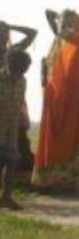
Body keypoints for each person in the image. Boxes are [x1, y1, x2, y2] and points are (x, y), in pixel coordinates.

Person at [32, 10, 79, 191]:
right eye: (63, 22)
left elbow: (62, 30)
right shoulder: (62, 41)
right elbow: (49, 15)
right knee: (52, 135)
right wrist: (59, 16)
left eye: (67, 22)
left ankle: (66, 181)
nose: (63, 25)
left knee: (68, 136)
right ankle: (48, 180)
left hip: (71, 99)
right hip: (55, 95)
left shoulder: (78, 40)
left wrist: (60, 17)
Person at [0, 22, 37, 185]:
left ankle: (12, 189)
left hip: (14, 104)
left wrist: (11, 26)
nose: (3, 34)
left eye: (4, 32)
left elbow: (32, 32)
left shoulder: (14, 51)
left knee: (15, 150)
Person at [0, 50, 31, 210]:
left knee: (11, 162)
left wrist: (24, 119)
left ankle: (7, 197)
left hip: (12, 129)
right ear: (9, 65)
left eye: (24, 69)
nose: (20, 73)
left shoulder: (22, 81)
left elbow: (20, 102)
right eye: (18, 69)